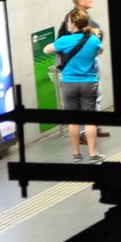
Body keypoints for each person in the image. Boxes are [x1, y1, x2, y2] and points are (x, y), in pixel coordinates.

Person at [45, 10, 102, 162]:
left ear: (74, 24)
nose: (68, 24)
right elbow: (100, 50)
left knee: (73, 120)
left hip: (69, 83)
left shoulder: (64, 40)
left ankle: (76, 154)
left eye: (69, 22)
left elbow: (46, 49)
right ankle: (93, 153)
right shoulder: (93, 40)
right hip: (89, 83)